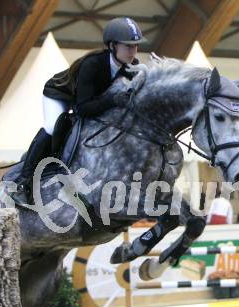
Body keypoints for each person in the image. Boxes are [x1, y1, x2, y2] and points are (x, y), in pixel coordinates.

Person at [11, 17, 147, 206]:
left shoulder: (133, 67)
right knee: (52, 127)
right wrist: (112, 100)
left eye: (136, 46)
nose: (133, 51)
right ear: (112, 45)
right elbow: (83, 108)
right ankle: (22, 183)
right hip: (59, 95)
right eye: (128, 46)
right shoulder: (93, 64)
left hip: (90, 103)